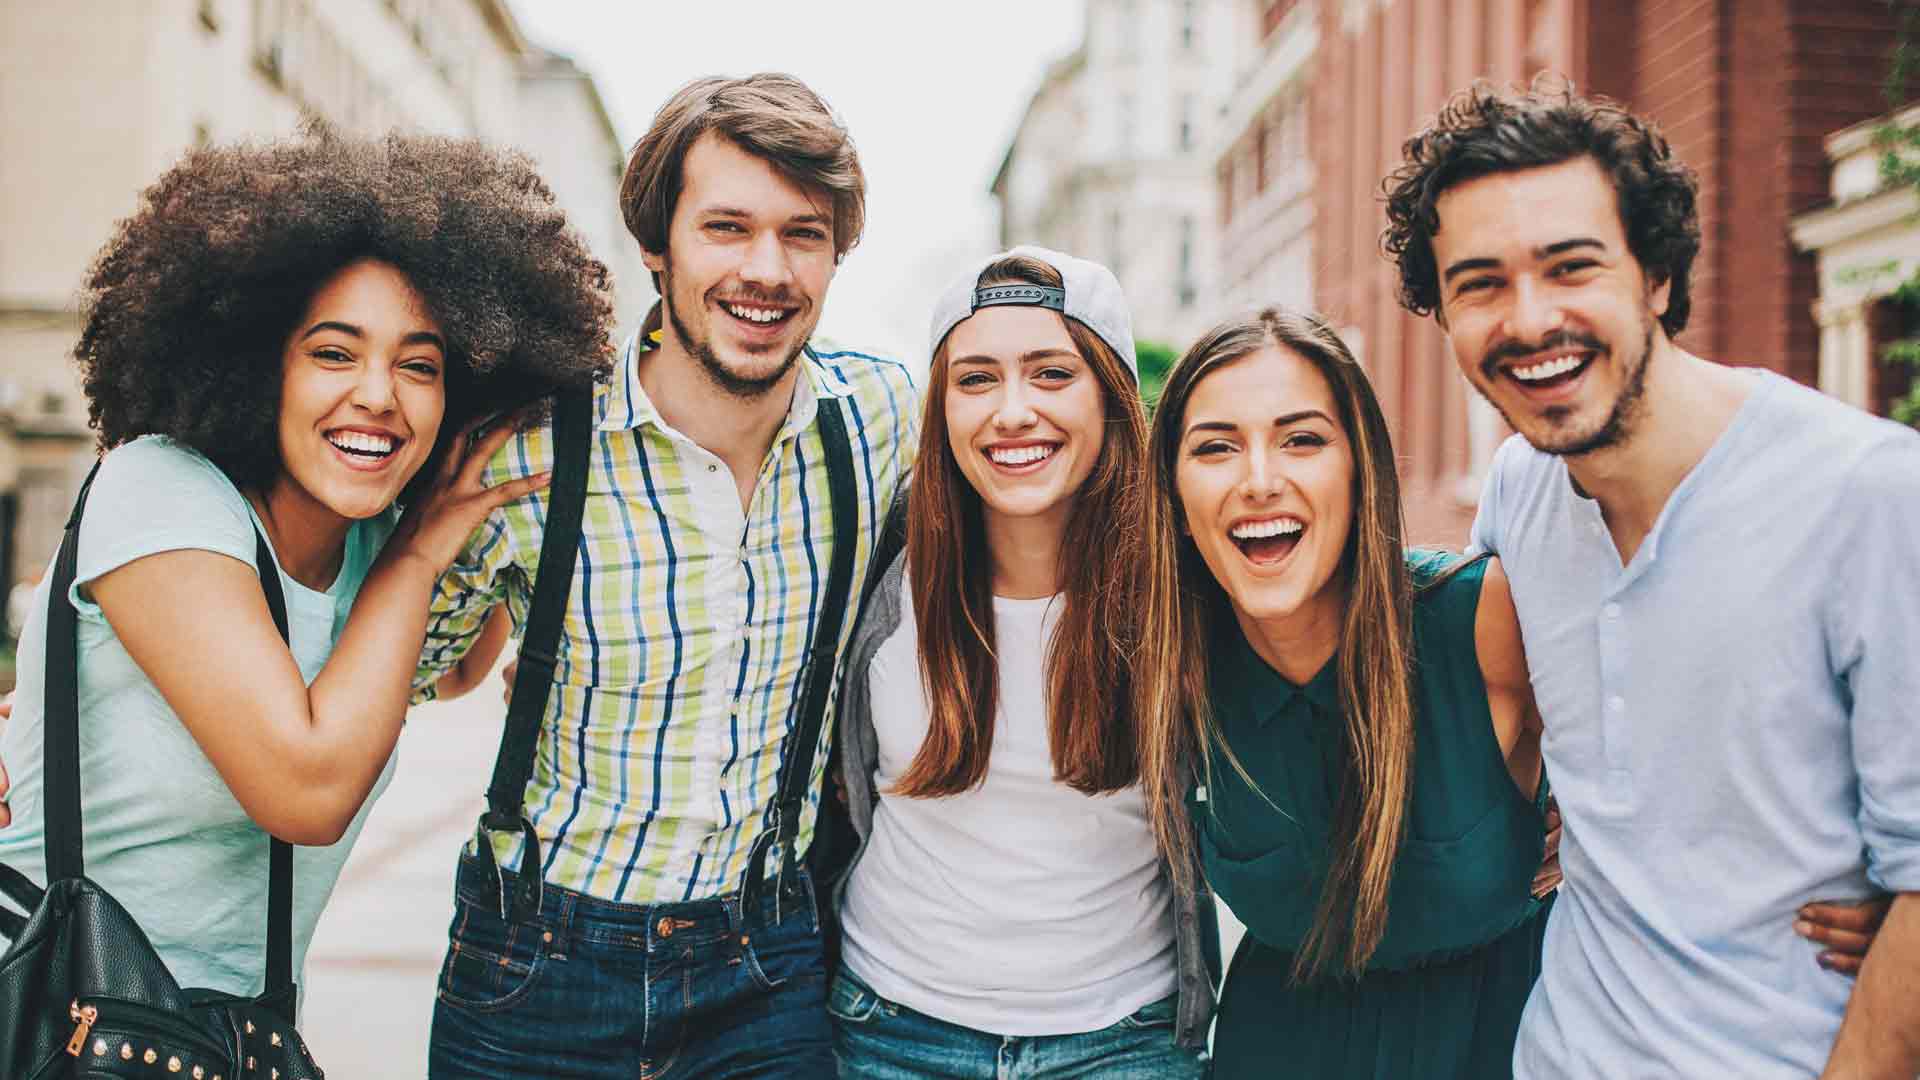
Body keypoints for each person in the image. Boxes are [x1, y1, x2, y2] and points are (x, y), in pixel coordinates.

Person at [1133, 308, 1887, 1079]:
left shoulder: (1484, 620)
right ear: (1175, 493)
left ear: (1361, 473)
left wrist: (1858, 875)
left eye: (1302, 439)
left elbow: (1715, 721)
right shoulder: (1168, 667)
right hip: (1277, 1050)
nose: (1260, 481)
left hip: (1500, 1043)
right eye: (1217, 448)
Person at [1382, 82, 1920, 1077]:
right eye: (1480, 283)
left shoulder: (1873, 496)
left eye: (1571, 266)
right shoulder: (1520, 490)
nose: (1529, 318)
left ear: (1660, 278)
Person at [0, 127, 613, 997]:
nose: (377, 393)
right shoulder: (162, 490)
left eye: (421, 365)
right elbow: (307, 790)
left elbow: (457, 669)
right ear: (256, 364)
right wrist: (423, 549)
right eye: (333, 352)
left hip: (229, 1035)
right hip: (53, 1021)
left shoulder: (373, 543)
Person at [410, 74, 917, 1078]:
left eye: (803, 234)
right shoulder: (524, 452)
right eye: (726, 227)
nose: (765, 269)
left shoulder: (881, 421)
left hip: (766, 965)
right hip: (533, 970)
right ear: (656, 246)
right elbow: (403, 669)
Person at [826, 248, 1212, 1078]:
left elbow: (1342, 600)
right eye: (975, 379)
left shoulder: (1184, 583)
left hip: (1125, 1039)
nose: (1012, 411)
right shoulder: (879, 563)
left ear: (1109, 396)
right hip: (890, 1028)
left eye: (1050, 373)